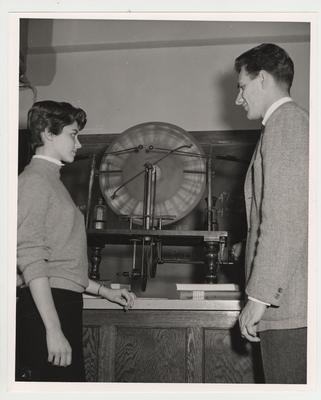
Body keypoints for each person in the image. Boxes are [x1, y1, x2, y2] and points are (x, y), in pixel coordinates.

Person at [16, 100, 136, 382]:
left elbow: (62, 265)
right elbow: (33, 260)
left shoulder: (52, 181)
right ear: (48, 133)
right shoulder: (34, 181)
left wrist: (104, 292)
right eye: (73, 134)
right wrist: (53, 329)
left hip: (61, 304)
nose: (79, 144)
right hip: (46, 310)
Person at [232, 43, 308, 384]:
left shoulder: (286, 122)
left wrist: (259, 296)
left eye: (241, 86)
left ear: (262, 78)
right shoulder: (287, 123)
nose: (238, 98)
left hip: (290, 307)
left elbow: (285, 219)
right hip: (291, 303)